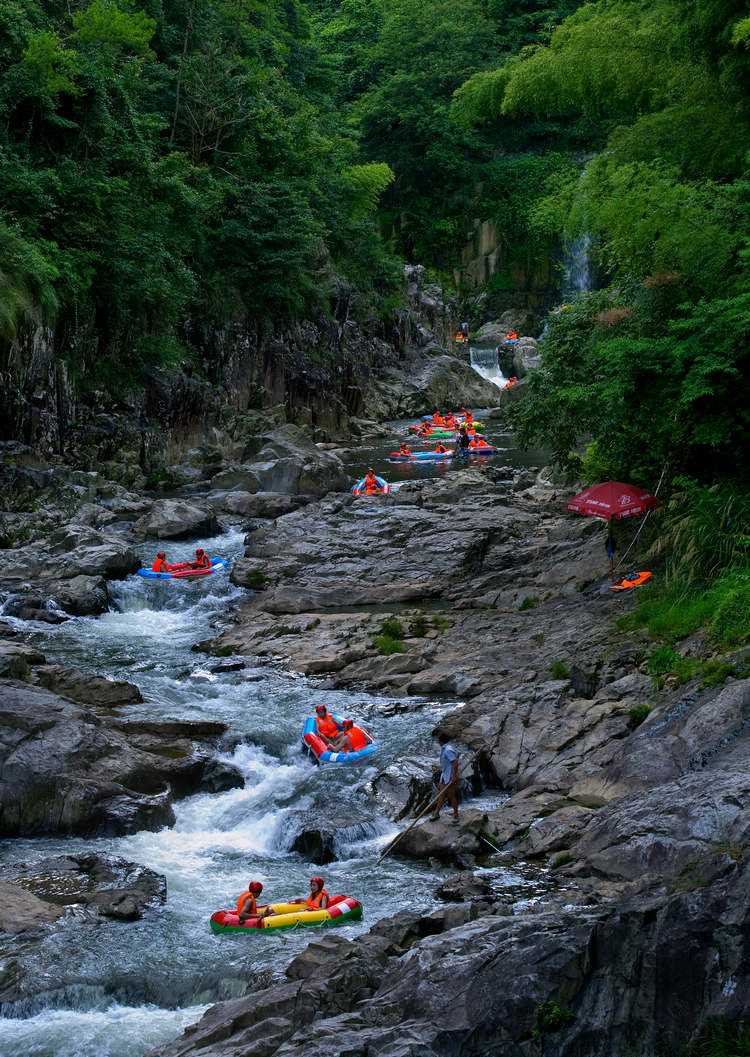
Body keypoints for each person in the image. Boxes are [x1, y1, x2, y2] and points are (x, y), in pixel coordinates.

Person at [431, 730, 460, 824]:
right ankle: (436, 813)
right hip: (445, 775)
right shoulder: (447, 748)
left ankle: (456, 816)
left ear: (441, 740)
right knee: (441, 795)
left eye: (437, 739)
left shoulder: (447, 750)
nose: (437, 741)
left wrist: (454, 776)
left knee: (451, 796)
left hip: (450, 777)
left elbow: (455, 763)